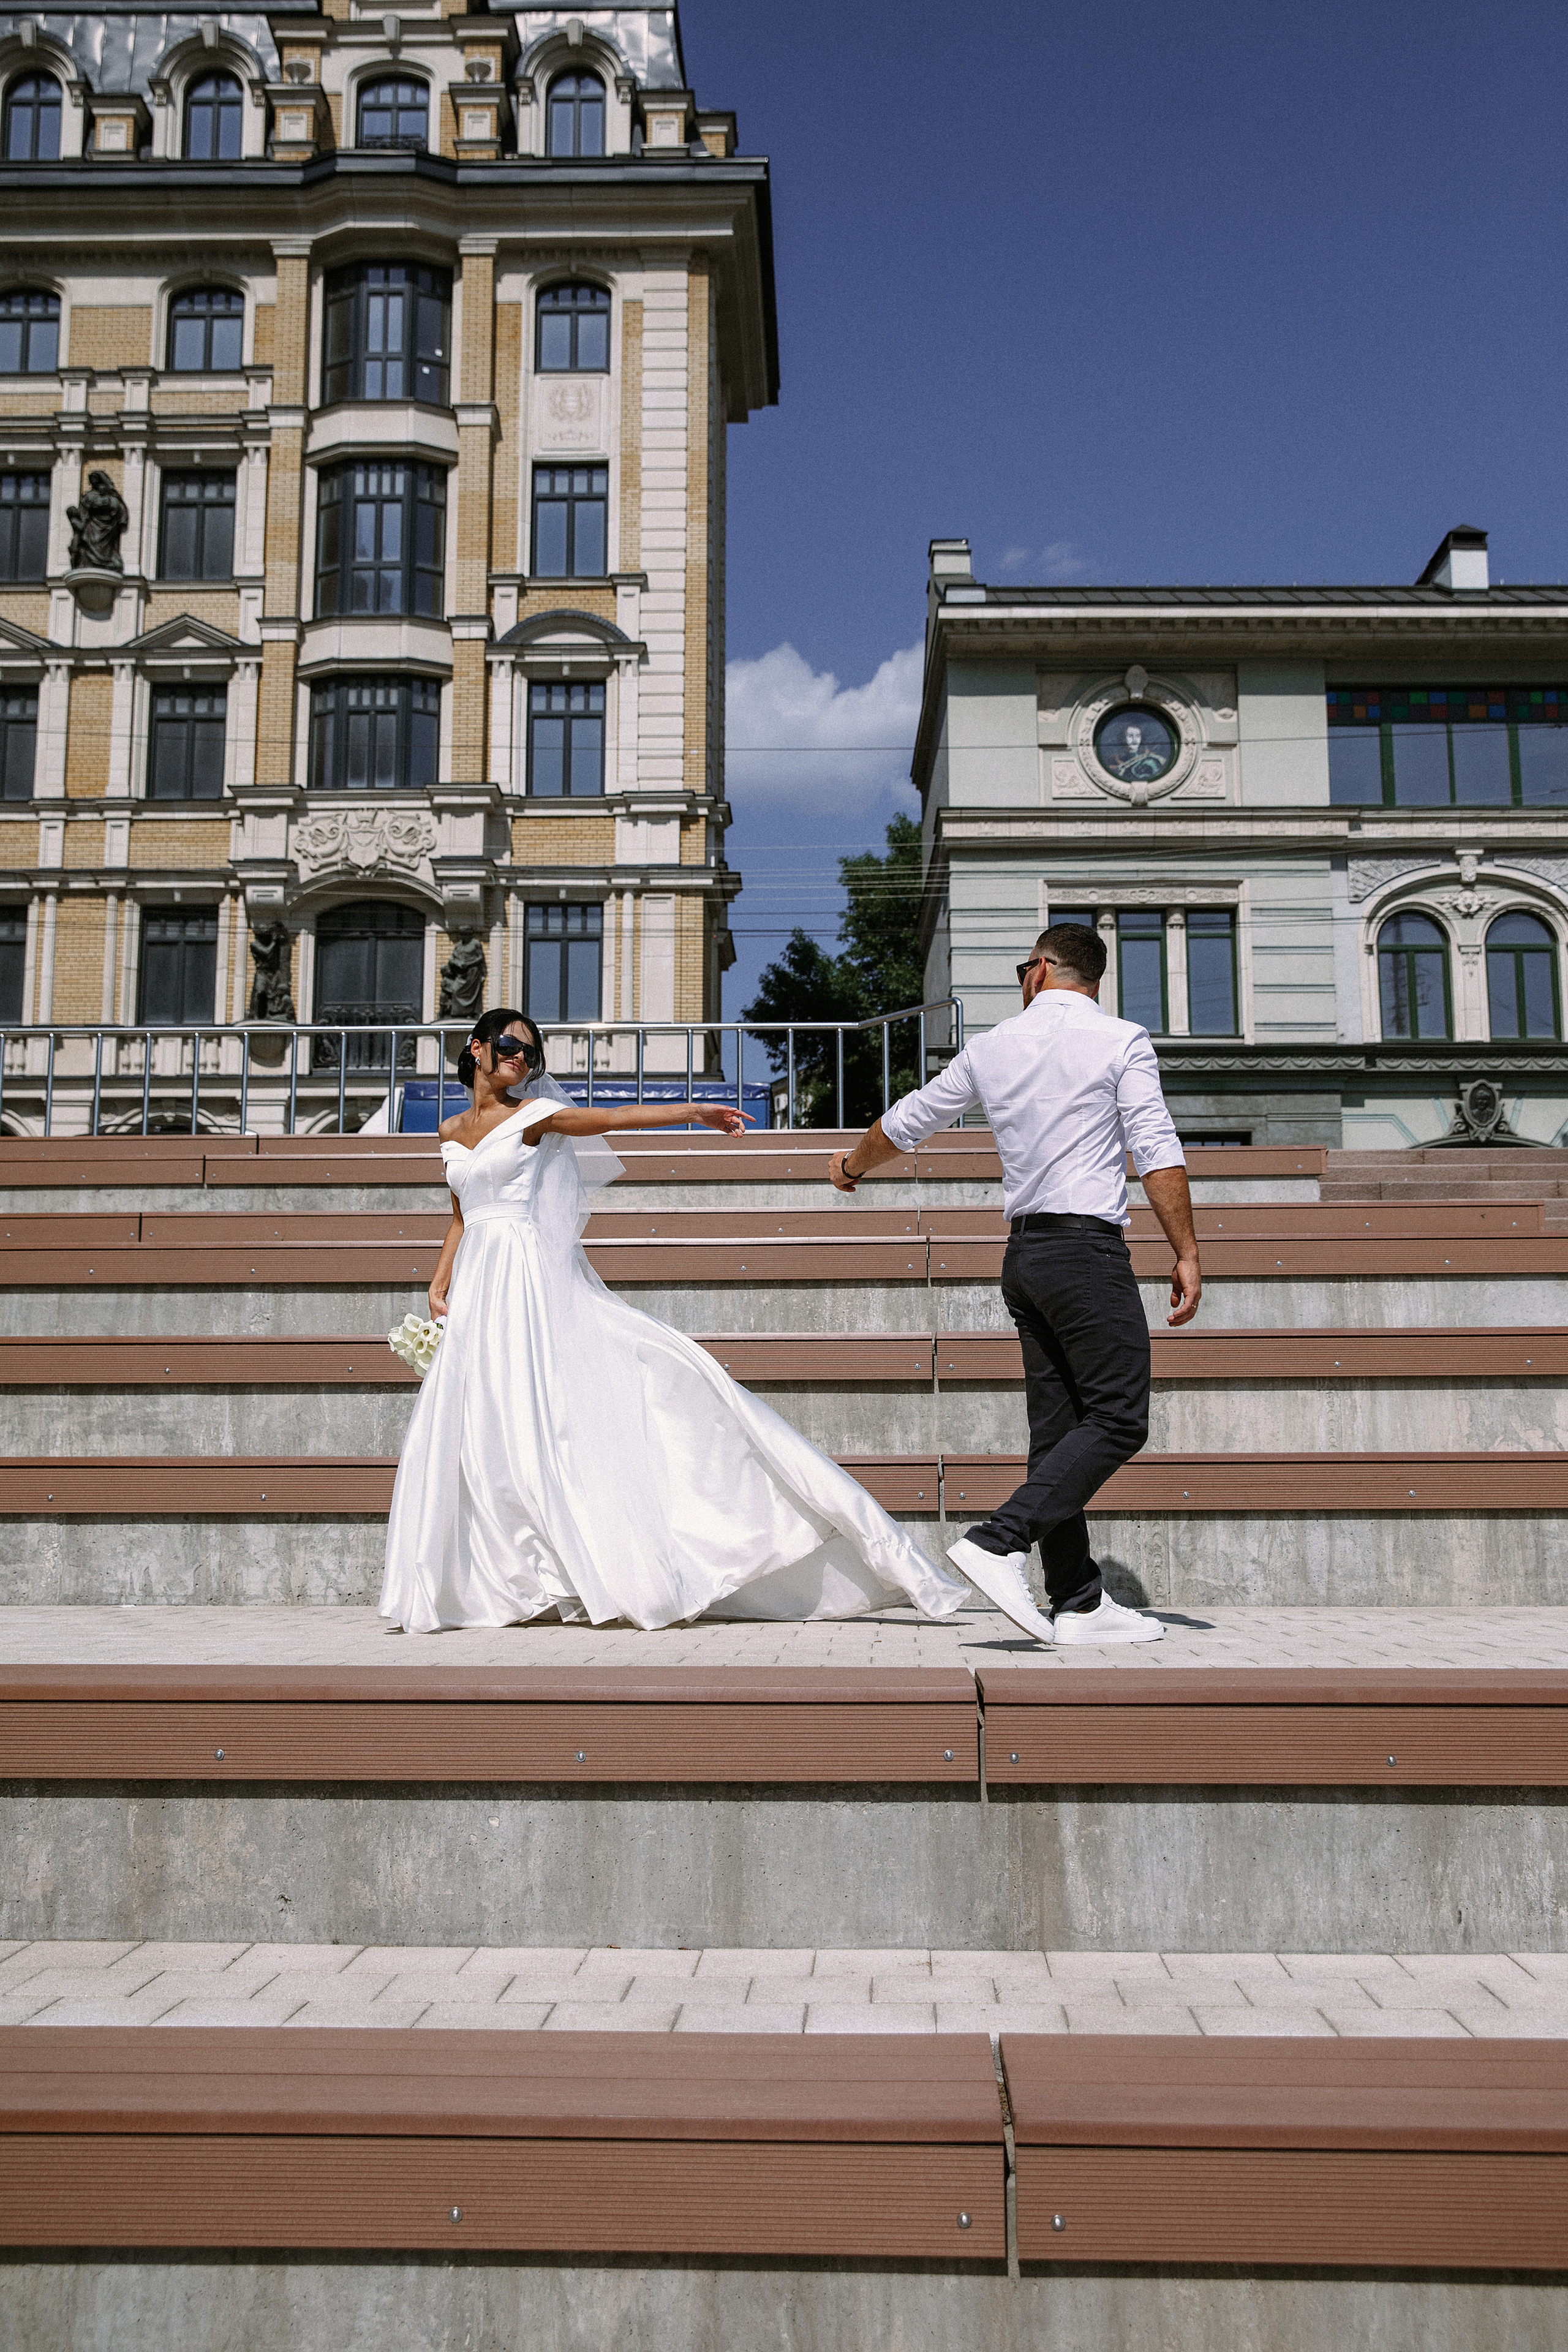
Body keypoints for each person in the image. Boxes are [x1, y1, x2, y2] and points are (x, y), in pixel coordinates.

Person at [380, 1008, 968, 1633]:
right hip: (478, 1278)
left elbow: (613, 1119)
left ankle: (583, 1561)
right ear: (476, 1048)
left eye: (530, 1051)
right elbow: (462, 1212)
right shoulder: (450, 1130)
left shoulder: (536, 1117)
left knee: (544, 1407)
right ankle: (499, 1573)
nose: (519, 1057)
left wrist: (694, 1111)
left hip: (524, 1275)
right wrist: (440, 1278)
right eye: (507, 1044)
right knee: (480, 1415)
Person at [829, 922, 1201, 1646]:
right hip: (1087, 1253)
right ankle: (999, 1540)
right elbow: (1155, 1147)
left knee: (1058, 1433)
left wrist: (849, 1167)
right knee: (1120, 1418)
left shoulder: (993, 1046)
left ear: (1040, 970)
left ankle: (1079, 1602)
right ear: (1092, 980)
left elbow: (908, 1122)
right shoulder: (1121, 1040)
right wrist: (1185, 1250)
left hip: (1026, 1257)